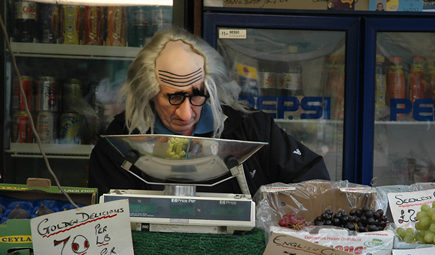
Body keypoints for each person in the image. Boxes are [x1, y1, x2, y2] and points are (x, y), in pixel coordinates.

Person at [88, 27, 330, 196]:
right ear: (148, 93)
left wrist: (274, 212)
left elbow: (313, 180)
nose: (186, 114)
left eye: (196, 95)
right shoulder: (119, 141)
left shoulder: (251, 129)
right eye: (173, 97)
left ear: (210, 87)